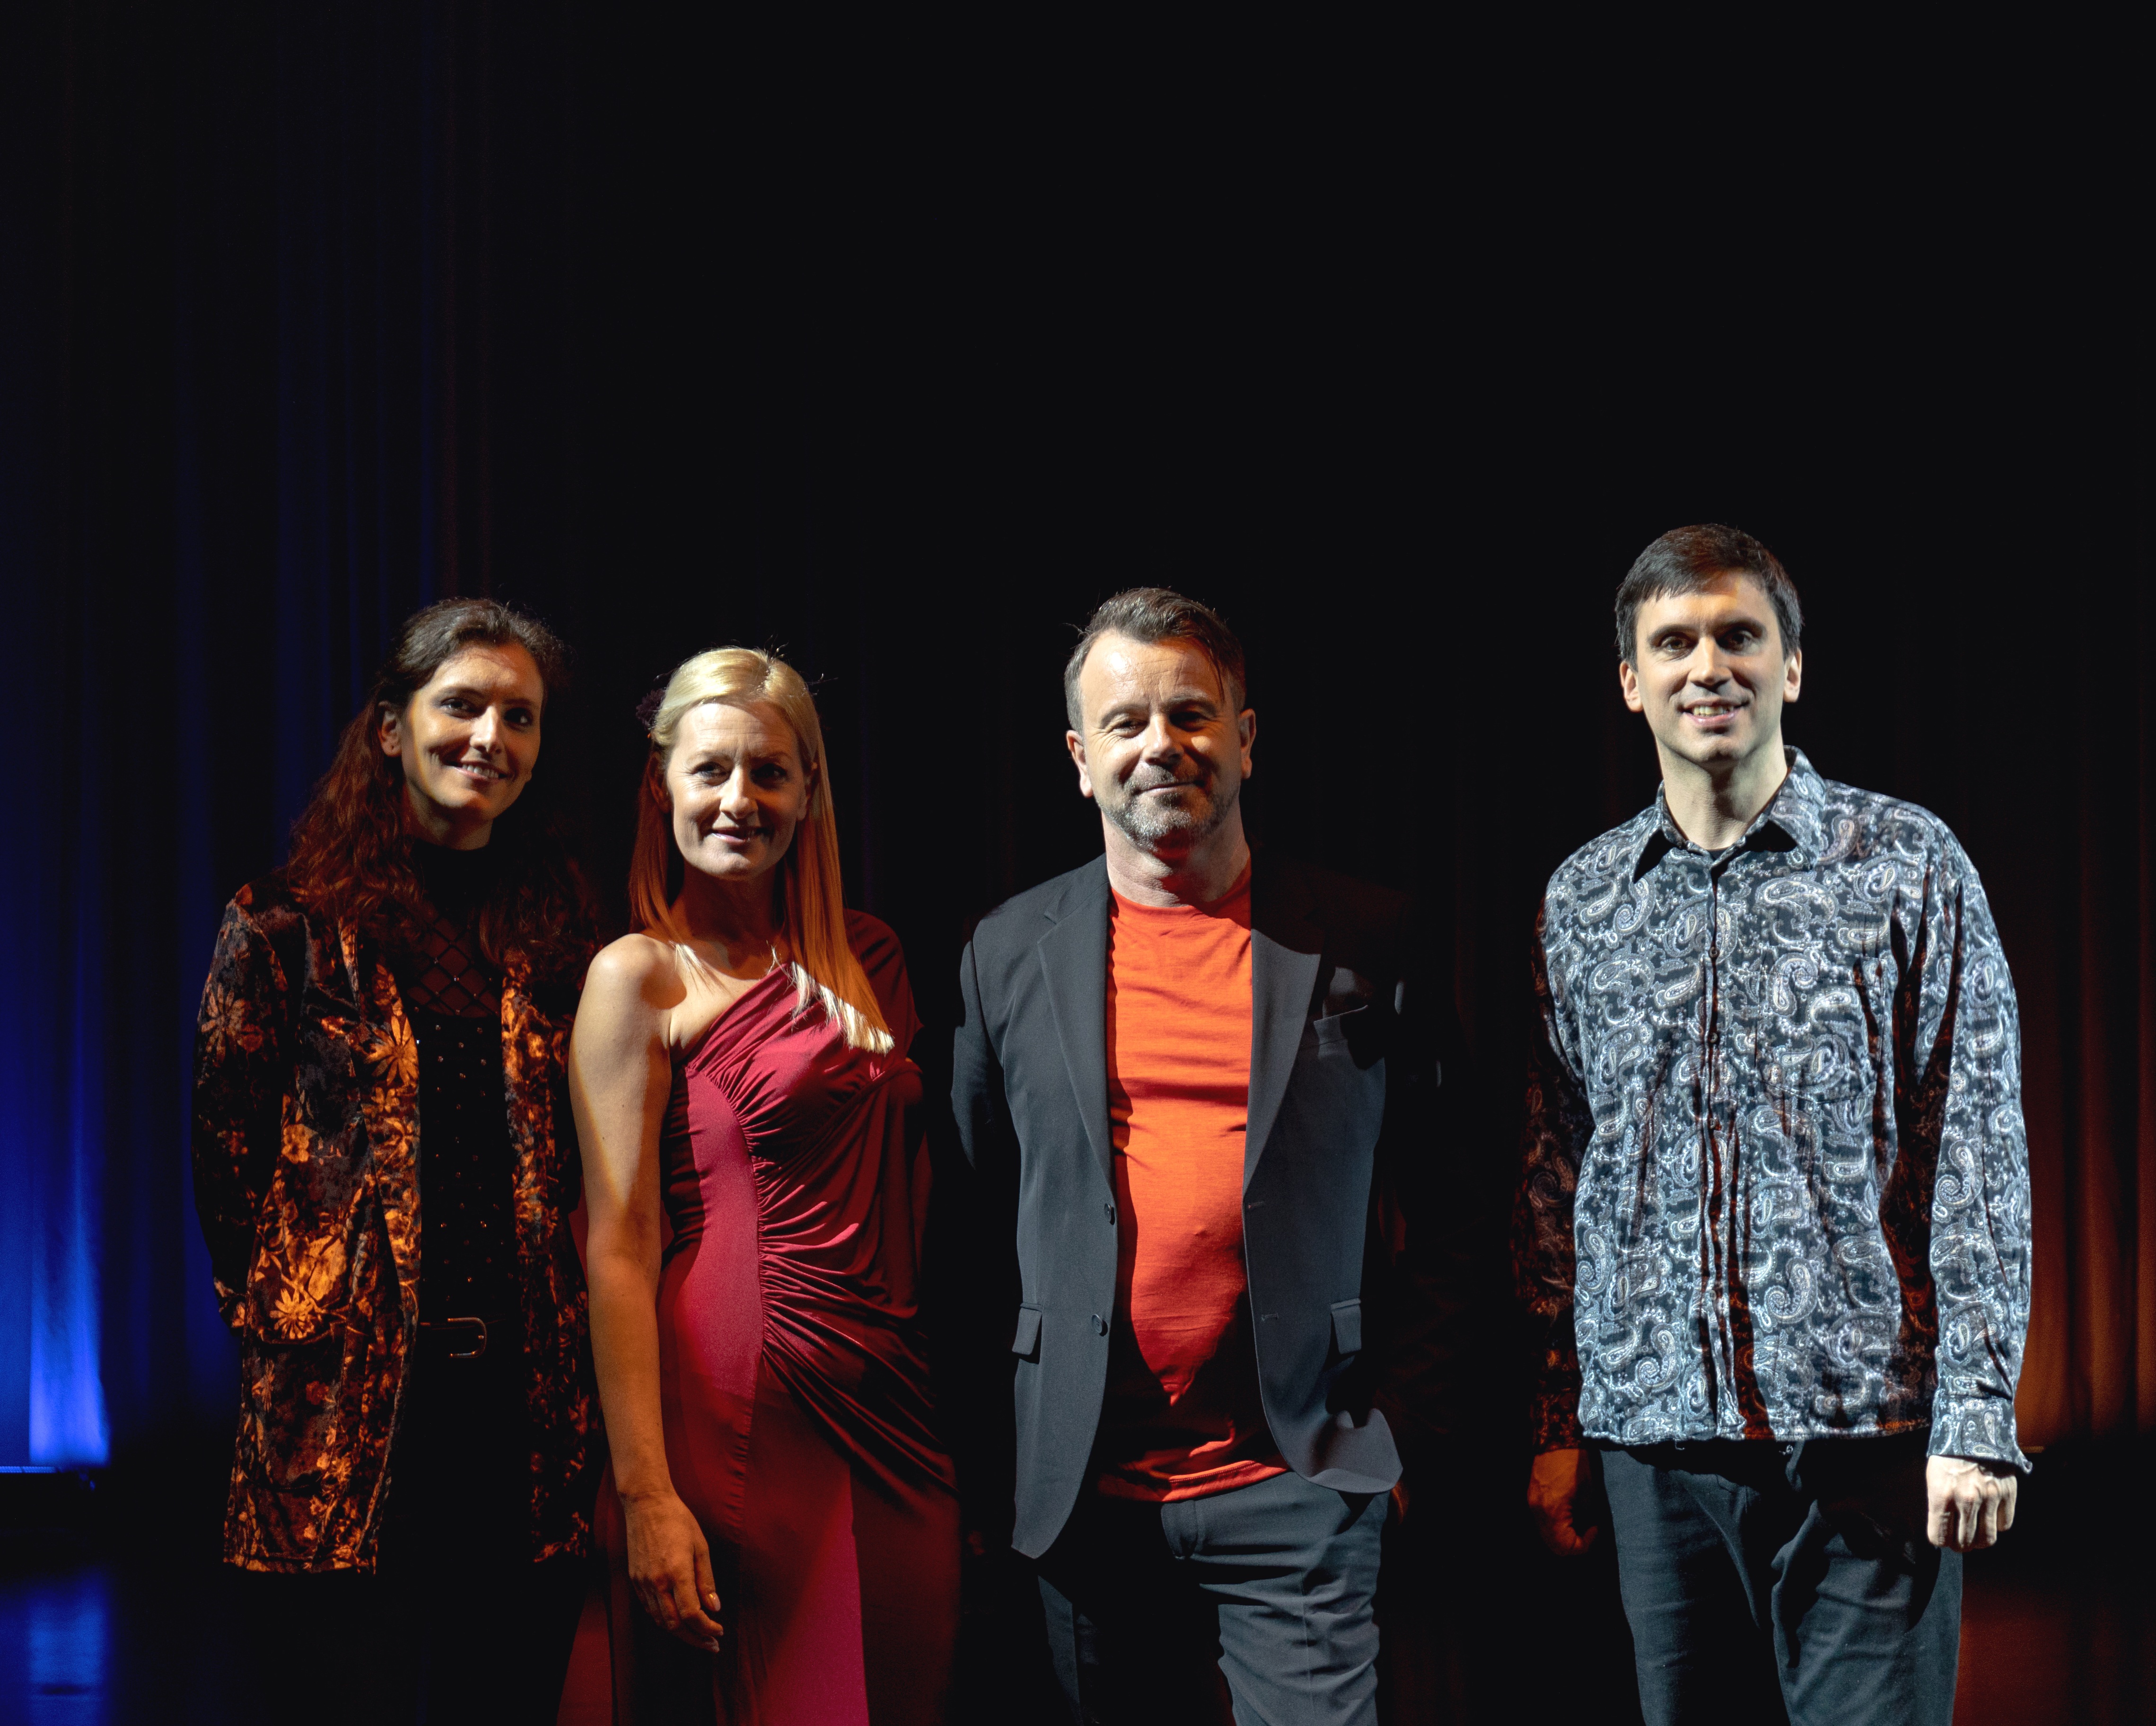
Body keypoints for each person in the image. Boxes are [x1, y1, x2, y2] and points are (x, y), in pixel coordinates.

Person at [1514, 525, 2032, 1726]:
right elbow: (1555, 1179)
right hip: (1655, 1448)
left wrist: (1975, 1416)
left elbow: (1977, 1147)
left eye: (1738, 636)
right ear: (1630, 680)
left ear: (1788, 666)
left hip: (1866, 1442)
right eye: (1673, 643)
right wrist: (1555, 1422)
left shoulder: (1903, 863)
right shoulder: (1580, 900)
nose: (1708, 666)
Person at [952, 588, 1452, 1726]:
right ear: (1079, 760)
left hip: (1301, 1480)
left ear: (1244, 736)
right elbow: (974, 1231)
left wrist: (1397, 1438)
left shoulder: (1365, 936)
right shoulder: (1002, 954)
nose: (1159, 745)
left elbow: (1454, 1204)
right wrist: (997, 1475)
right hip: (1084, 1502)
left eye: (1189, 713)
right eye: (1123, 722)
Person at [192, 598, 600, 1723]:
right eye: (460, 705)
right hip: (340, 1411)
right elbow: (227, 1164)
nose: (490, 737)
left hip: (523, 1412)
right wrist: (293, 1318)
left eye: (519, 716)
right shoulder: (283, 925)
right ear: (390, 727)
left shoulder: (565, 938)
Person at [572, 647, 959, 1725]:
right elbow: (618, 1244)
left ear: (810, 792)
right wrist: (646, 1491)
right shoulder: (638, 977)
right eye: (710, 770)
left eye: (769, 772)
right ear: (661, 788)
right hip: (731, 1408)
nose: (738, 799)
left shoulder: (872, 958)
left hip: (894, 1405)